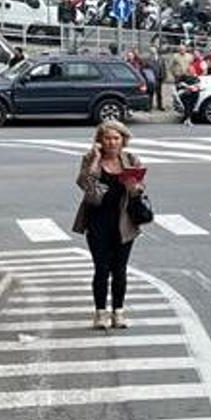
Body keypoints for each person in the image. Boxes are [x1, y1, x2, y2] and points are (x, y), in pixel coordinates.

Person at [71, 120, 145, 330]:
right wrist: (95, 158)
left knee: (120, 270)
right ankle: (100, 312)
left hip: (124, 223)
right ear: (100, 140)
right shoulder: (90, 159)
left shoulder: (130, 159)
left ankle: (118, 312)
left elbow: (140, 189)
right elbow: (84, 184)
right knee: (101, 269)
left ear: (123, 140)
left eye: (116, 138)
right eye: (107, 138)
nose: (112, 142)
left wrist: (133, 187)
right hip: (97, 222)